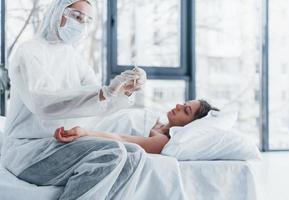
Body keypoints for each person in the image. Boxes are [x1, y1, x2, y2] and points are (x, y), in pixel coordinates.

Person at [1, 0, 147, 199]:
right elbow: (43, 103)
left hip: (59, 145)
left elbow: (100, 102)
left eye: (87, 21)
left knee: (135, 155)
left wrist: (125, 90)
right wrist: (103, 92)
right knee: (111, 153)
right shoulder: (29, 51)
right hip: (28, 150)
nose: (81, 24)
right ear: (57, 11)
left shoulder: (72, 57)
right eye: (76, 16)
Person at [54, 100, 220, 154]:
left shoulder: (162, 140)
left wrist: (85, 132)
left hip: (84, 129)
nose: (178, 105)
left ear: (190, 125)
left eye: (186, 110)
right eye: (184, 103)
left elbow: (122, 139)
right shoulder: (157, 123)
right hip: (87, 117)